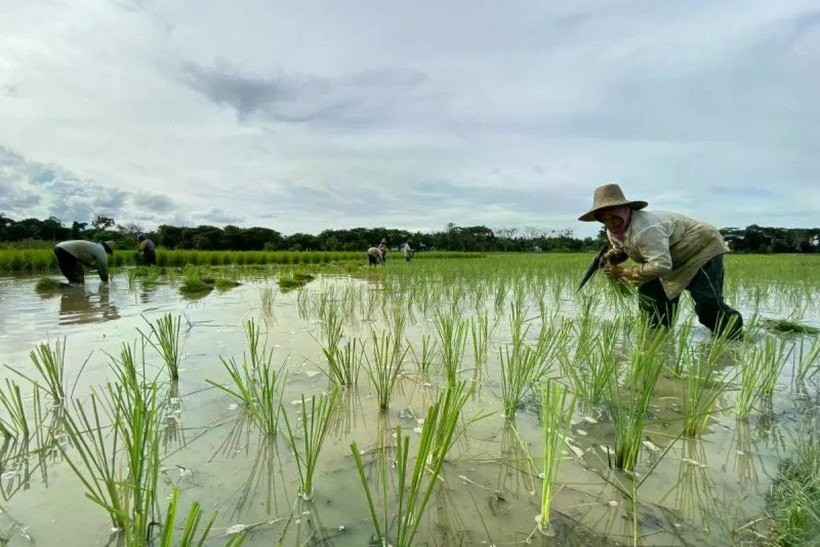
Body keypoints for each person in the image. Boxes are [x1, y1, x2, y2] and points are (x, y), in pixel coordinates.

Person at [578, 183, 743, 339]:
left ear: (624, 211)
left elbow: (662, 265)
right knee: (652, 306)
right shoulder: (613, 231)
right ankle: (657, 343)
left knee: (707, 303)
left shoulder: (647, 228)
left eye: (613, 217)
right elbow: (622, 250)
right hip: (663, 257)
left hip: (700, 249)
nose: (610, 223)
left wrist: (623, 272)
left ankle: (733, 336)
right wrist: (609, 257)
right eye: (604, 219)